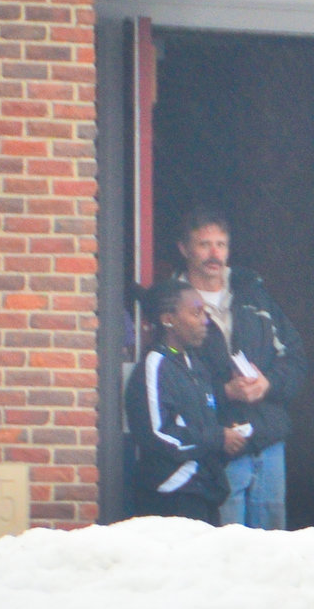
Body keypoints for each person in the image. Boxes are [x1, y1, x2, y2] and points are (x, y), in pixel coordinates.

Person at [174, 211, 304, 530]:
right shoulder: (173, 304)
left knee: (271, 545)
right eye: (204, 244)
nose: (214, 254)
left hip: (268, 439)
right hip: (217, 444)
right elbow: (170, 376)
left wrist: (267, 384)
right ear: (184, 249)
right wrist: (224, 392)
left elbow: (296, 357)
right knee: (225, 546)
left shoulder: (255, 296)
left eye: (221, 244)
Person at [124, 279, 229, 523]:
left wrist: (226, 440)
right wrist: (218, 438)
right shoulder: (155, 365)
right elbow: (157, 434)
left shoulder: (196, 365)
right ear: (168, 319)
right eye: (196, 312)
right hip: (172, 498)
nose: (205, 320)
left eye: (206, 312)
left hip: (204, 491)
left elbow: (202, 424)